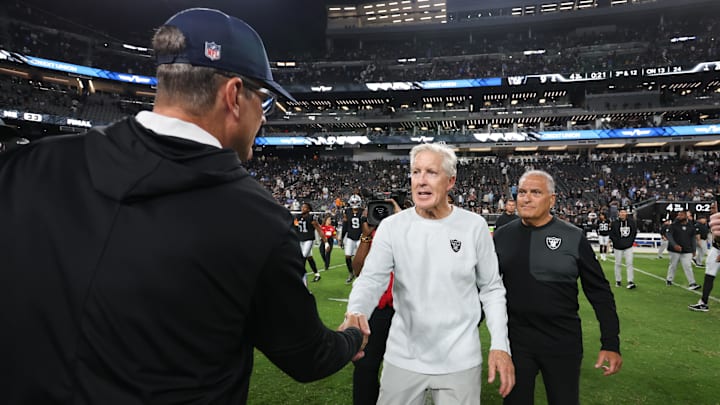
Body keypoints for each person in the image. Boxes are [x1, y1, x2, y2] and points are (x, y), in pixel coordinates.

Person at [0, 8, 367, 403]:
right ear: (233, 96)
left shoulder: (29, 164)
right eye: (264, 101)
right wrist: (351, 335)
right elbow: (307, 357)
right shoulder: (256, 219)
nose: (264, 117)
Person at [343, 143, 515, 405]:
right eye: (416, 172)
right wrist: (356, 311)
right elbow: (371, 279)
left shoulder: (474, 226)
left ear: (451, 181)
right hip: (402, 358)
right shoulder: (392, 227)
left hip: (460, 360)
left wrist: (500, 345)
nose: (421, 181)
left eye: (431, 172)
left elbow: (491, 289)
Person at [493, 170, 622, 405]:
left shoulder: (573, 236)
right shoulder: (501, 236)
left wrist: (610, 343)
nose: (526, 198)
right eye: (522, 192)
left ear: (551, 200)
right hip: (516, 341)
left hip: (562, 341)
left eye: (535, 192)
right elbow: (487, 289)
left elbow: (599, 292)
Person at [351, 199, 402, 405]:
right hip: (376, 310)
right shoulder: (371, 237)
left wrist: (402, 222)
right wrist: (366, 235)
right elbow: (357, 270)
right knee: (365, 366)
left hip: (404, 311)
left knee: (403, 370)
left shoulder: (407, 232)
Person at [689, 205, 719, 312]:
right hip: (716, 249)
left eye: (712, 208)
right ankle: (703, 302)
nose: (710, 210)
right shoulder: (714, 219)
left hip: (718, 249)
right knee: (709, 275)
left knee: (709, 274)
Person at [666, 210, 702, 290]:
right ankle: (669, 279)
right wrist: (674, 245)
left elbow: (693, 238)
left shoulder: (691, 226)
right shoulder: (674, 225)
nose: (679, 217)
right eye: (678, 215)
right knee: (673, 265)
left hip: (687, 249)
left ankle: (692, 283)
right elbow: (669, 235)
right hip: (674, 250)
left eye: (681, 215)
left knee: (688, 266)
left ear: (685, 216)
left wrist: (694, 250)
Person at [295, 202, 327, 282]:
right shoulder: (298, 217)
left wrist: (326, 242)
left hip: (309, 240)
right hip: (300, 240)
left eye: (305, 207)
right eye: (302, 207)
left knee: (303, 258)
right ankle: (317, 274)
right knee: (309, 257)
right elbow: (294, 227)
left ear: (309, 209)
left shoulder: (311, 218)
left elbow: (319, 230)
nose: (302, 208)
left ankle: (300, 278)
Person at [609, 208, 638, 289]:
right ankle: (618, 280)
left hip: (628, 246)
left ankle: (630, 281)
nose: (622, 214)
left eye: (624, 212)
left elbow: (634, 232)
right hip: (618, 247)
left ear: (626, 213)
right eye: (621, 212)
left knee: (629, 263)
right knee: (618, 264)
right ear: (619, 213)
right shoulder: (615, 223)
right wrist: (617, 242)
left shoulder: (631, 222)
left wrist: (630, 242)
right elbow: (612, 234)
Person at [341, 194, 365, 284]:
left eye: (356, 202)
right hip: (350, 237)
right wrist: (341, 238)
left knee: (361, 258)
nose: (355, 203)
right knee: (347, 256)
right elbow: (345, 225)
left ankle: (361, 274)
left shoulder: (363, 211)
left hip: (360, 237)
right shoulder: (347, 211)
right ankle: (351, 273)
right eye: (353, 202)